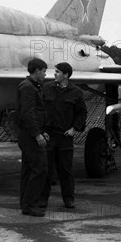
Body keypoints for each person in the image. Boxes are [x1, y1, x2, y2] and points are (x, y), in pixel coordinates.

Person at [41, 62, 87, 210]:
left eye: (58, 72)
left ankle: (69, 199)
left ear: (66, 75)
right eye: (55, 71)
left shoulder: (76, 92)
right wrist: (42, 130)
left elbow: (82, 112)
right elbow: (40, 110)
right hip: (49, 135)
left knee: (65, 169)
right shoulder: (47, 88)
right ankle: (43, 200)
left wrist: (74, 128)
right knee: (46, 170)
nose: (54, 74)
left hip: (65, 136)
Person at [16, 58, 49, 217]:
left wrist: (42, 131)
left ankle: (26, 204)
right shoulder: (28, 87)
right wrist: (37, 134)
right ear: (37, 71)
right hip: (29, 135)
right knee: (39, 168)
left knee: (29, 169)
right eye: (43, 71)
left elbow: (35, 113)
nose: (45, 74)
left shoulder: (32, 86)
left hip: (30, 133)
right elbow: (28, 114)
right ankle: (31, 204)